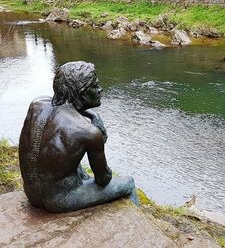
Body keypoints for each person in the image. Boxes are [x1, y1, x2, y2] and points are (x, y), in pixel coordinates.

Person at [19, 61, 138, 213]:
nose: (100, 89)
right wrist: (100, 137)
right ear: (83, 93)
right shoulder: (89, 132)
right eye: (95, 86)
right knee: (128, 182)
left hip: (32, 194)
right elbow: (103, 180)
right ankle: (139, 227)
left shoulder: (37, 104)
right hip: (60, 200)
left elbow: (64, 107)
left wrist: (92, 113)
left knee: (67, 154)